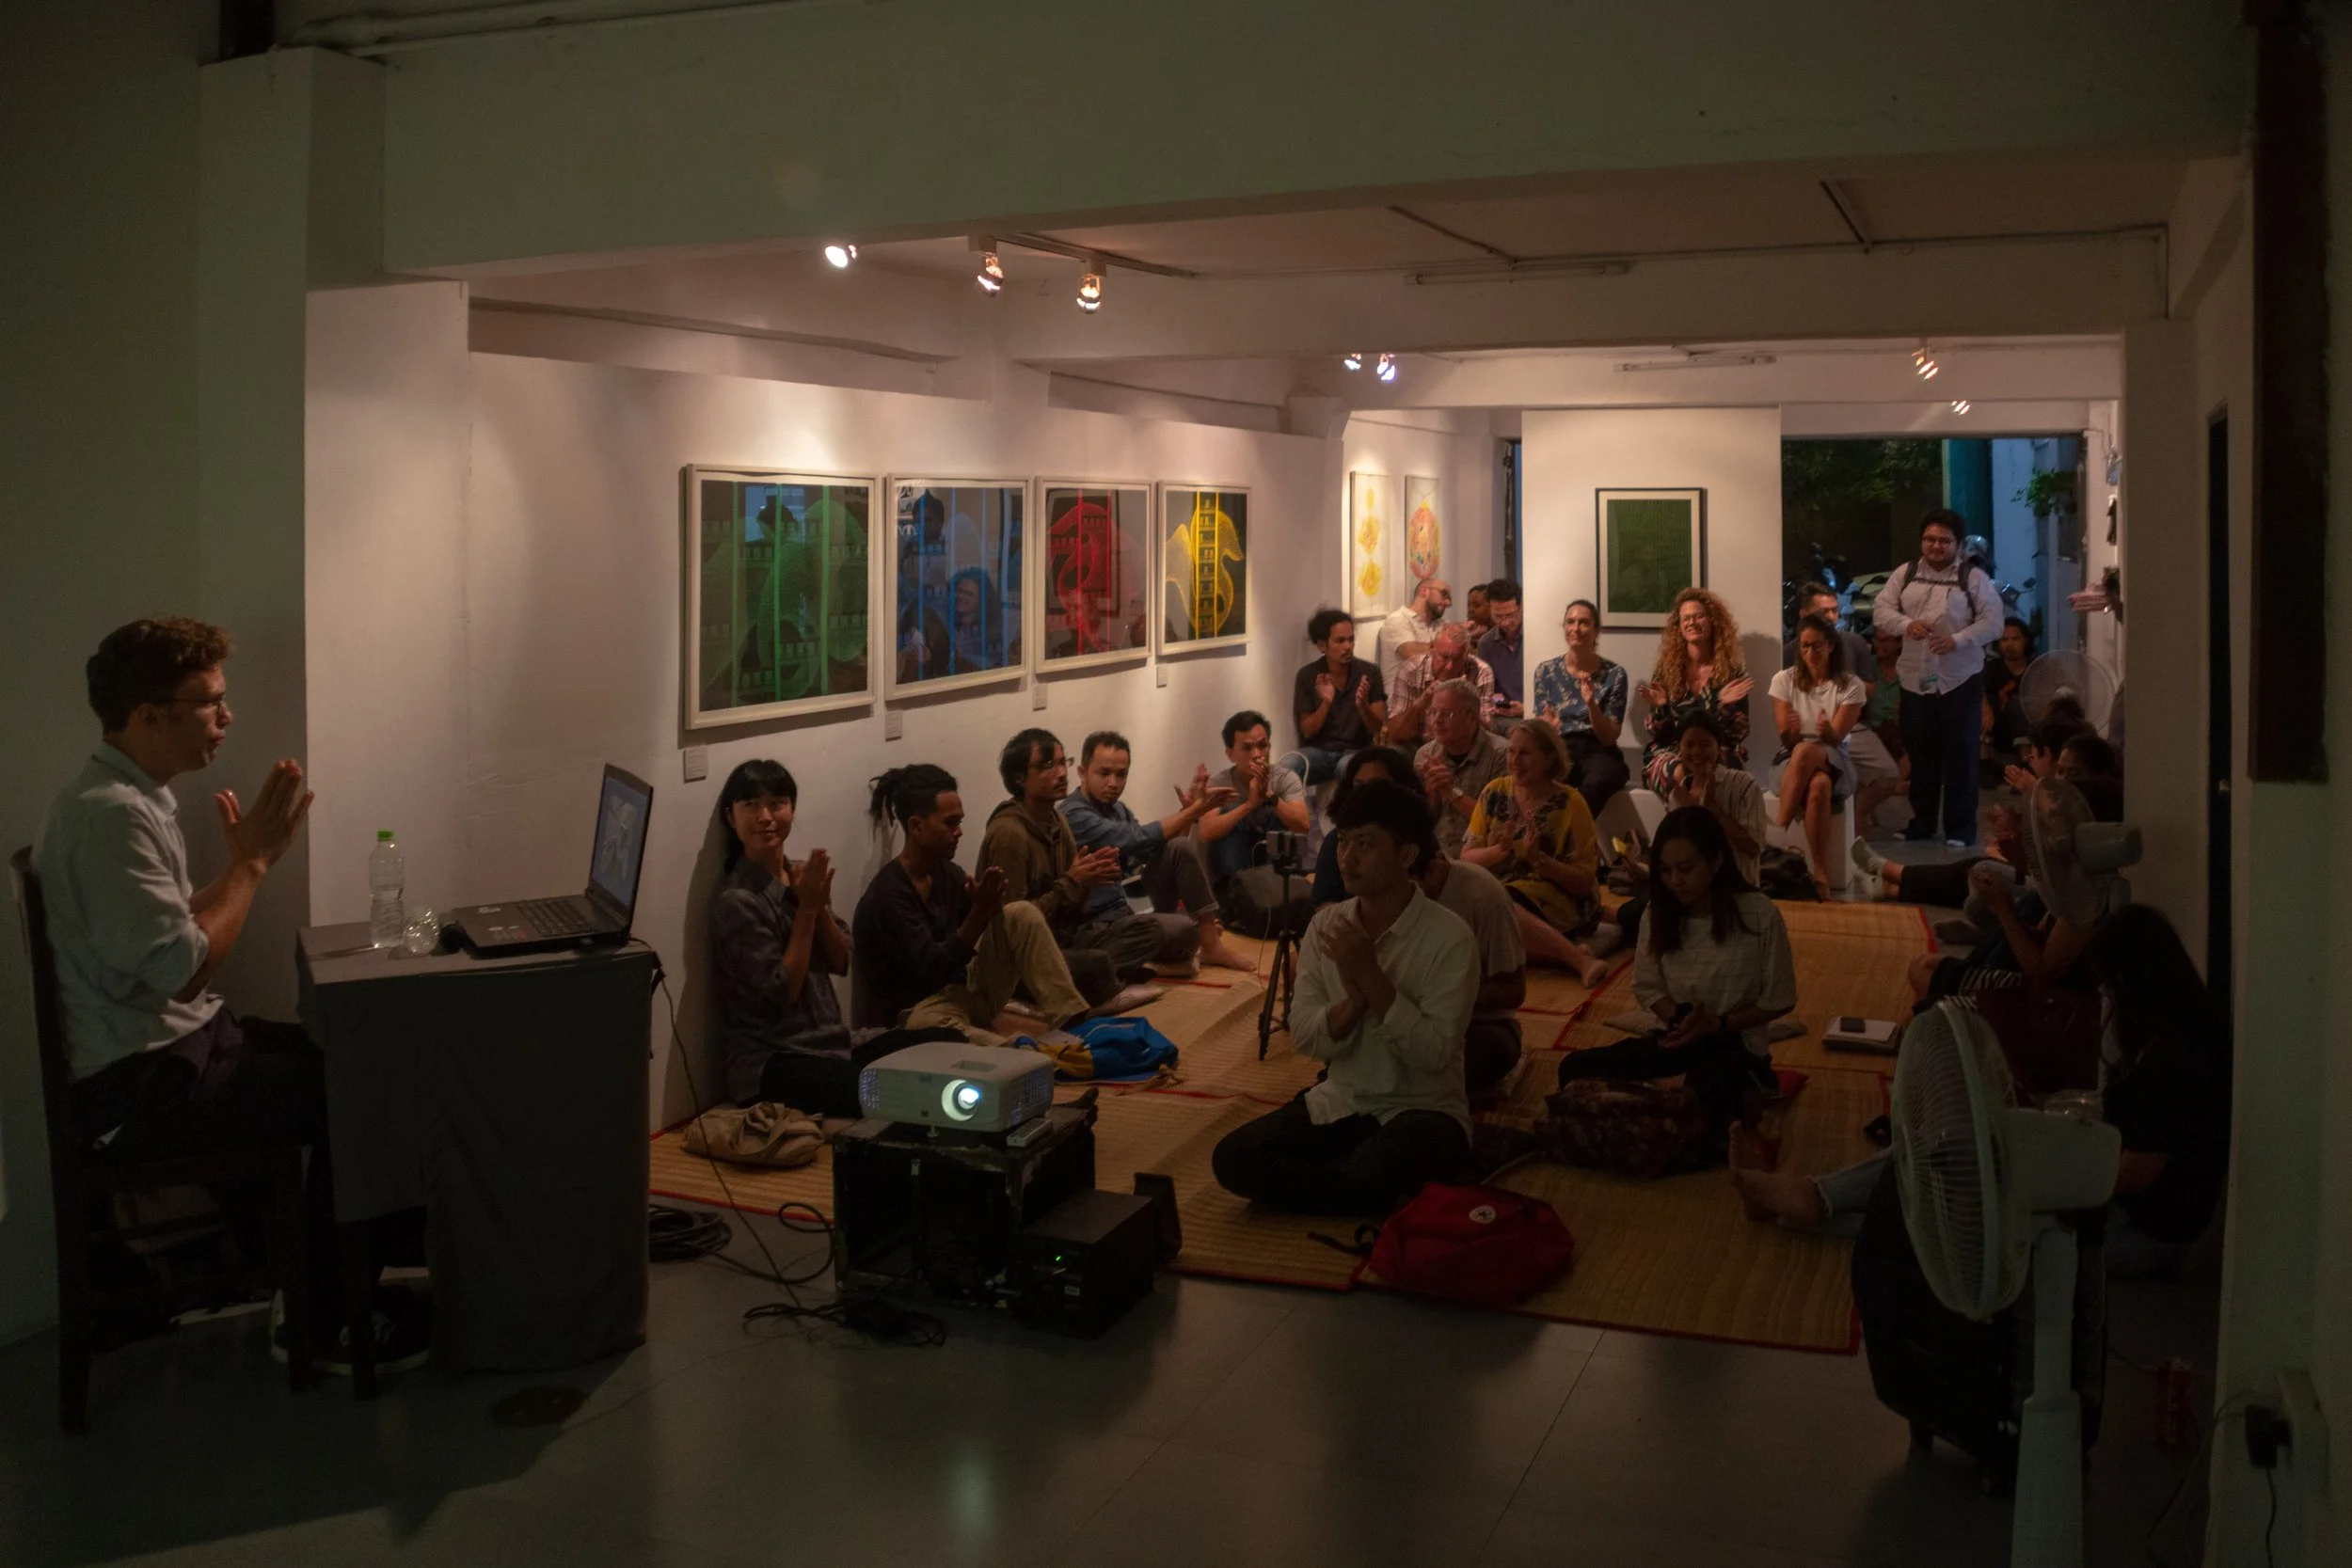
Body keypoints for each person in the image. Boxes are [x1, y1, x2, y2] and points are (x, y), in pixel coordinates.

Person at [37, 618, 428, 1371]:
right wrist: (249, 866)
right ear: (149, 714)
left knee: (360, 1059)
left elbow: (168, 936)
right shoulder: (111, 816)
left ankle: (324, 1286)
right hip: (141, 1086)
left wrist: (247, 862)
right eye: (209, 701)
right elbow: (183, 969)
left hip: (174, 1050)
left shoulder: (127, 796)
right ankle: (320, 1321)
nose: (227, 716)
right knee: (360, 1096)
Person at [1737, 905, 2229, 1277]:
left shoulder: (2179, 1060)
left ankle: (1805, 1207)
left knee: (1966, 1224)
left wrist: (2026, 1168)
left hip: (2140, 1231)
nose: (2106, 998)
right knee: (1956, 1146)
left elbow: (2131, 1175)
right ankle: (1814, 1197)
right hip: (2109, 1189)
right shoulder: (2164, 1036)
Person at [1209, 782, 1479, 1215]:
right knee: (1233, 1158)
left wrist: (1370, 975)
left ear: (1407, 855)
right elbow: (1305, 1037)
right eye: (1343, 842)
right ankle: (1360, 1185)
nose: (1347, 858)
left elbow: (1433, 1055)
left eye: (1365, 844)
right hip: (1344, 1098)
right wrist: (1353, 1003)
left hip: (1422, 1108)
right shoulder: (1326, 926)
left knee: (1382, 1162)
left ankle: (1354, 1180)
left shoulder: (1450, 937)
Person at [1557, 805, 1793, 1135]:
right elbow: (1648, 986)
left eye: (1686, 869)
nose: (1676, 880)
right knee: (1573, 1068)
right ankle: (1665, 1095)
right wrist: (1682, 1023)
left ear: (1716, 861)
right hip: (1680, 1042)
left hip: (1736, 1049)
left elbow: (1780, 999)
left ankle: (1663, 1096)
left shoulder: (1759, 914)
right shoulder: (1658, 912)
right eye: (1666, 871)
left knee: (1720, 1088)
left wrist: (1717, 1024)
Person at [851, 764, 1099, 1042]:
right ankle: (1021, 1053)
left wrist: (990, 905)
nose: (958, 832)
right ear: (916, 826)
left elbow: (987, 940)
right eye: (950, 823)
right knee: (932, 1025)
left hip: (962, 995)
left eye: (959, 822)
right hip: (918, 1015)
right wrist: (979, 914)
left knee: (1020, 912)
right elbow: (931, 971)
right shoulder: (889, 894)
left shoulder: (946, 873)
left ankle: (1075, 1024)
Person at [707, 759, 865, 1114]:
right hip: (772, 1059)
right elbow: (783, 991)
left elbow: (841, 961)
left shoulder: (799, 876)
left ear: (792, 809)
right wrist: (807, 910)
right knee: (882, 1091)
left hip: (832, 1044)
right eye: (751, 805)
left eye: (776, 803)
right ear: (731, 817)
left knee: (935, 1042)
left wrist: (817, 906)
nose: (765, 816)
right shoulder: (737, 901)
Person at [977, 728, 1161, 1001]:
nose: (1062, 773)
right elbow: (1011, 925)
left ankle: (1097, 980)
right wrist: (1072, 883)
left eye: (1063, 762)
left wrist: (1088, 882)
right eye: (1047, 765)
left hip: (1062, 939)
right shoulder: (1009, 834)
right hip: (1020, 956)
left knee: (1150, 931)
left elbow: (1071, 911)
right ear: (1019, 777)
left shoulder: (1057, 822)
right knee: (1095, 963)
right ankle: (1099, 984)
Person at [1061, 730, 1248, 973]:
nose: (1113, 783)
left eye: (1121, 774)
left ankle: (1210, 945)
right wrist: (1194, 811)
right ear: (1082, 772)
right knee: (1184, 930)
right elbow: (1136, 838)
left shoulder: (1118, 809)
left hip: (1133, 908)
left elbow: (1152, 851)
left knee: (1179, 847)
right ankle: (1169, 952)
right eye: (1104, 773)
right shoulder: (1073, 814)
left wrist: (1188, 814)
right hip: (1099, 925)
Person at [1874, 509, 2004, 847]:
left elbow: (1993, 623)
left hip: (1959, 679)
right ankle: (1922, 823)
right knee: (1921, 754)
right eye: (1930, 539)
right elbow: (1882, 610)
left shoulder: (1973, 578)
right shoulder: (1905, 574)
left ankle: (1961, 829)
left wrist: (1957, 640)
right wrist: (1906, 625)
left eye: (1944, 540)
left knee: (1961, 755)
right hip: (1914, 679)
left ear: (1958, 545)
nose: (1936, 546)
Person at [1460, 720, 1611, 987]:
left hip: (1556, 896)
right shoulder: (1494, 792)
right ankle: (1568, 951)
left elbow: (1584, 883)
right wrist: (1499, 850)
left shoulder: (1571, 803)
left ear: (1550, 758)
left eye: (1525, 753)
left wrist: (1539, 860)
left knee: (1498, 910)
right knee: (1477, 914)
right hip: (1500, 892)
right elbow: (1467, 857)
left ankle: (1580, 961)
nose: (1515, 761)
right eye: (1511, 752)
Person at [1767, 613, 1869, 897]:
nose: (1810, 653)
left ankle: (1777, 835)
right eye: (1805, 646)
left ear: (1830, 646)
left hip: (1835, 757)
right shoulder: (1784, 680)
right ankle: (1821, 871)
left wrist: (1827, 732)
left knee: (1806, 751)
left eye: (1817, 646)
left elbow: (1836, 740)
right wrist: (1792, 732)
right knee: (1819, 784)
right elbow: (1787, 739)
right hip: (1791, 760)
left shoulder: (1850, 685)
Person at [1638, 587, 1754, 792]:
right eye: (1686, 618)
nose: (1692, 622)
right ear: (1679, 627)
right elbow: (1659, 736)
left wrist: (1724, 708)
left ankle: (1692, 809)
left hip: (1717, 750)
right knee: (1680, 772)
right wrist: (1661, 710)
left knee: (1713, 773)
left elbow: (1737, 735)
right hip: (1672, 750)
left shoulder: (1731, 671)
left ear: (1712, 621)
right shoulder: (1666, 671)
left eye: (1699, 616)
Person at [1530, 597, 1631, 816]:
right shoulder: (1545, 671)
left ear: (1596, 631)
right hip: (1559, 747)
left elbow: (1608, 737)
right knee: (1535, 776)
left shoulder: (1614, 674)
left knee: (1600, 780)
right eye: (1570, 622)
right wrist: (1548, 727)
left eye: (1583, 623)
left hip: (1596, 749)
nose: (1575, 628)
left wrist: (1591, 705)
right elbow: (1540, 727)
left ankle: (1571, 827)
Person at [1195, 709, 1311, 884]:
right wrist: (1249, 805)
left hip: (1275, 869)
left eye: (1262, 746)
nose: (1257, 755)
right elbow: (1205, 832)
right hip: (1233, 868)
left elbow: (1303, 825)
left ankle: (1275, 886)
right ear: (1230, 754)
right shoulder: (1221, 782)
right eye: (1247, 748)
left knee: (1276, 812)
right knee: (1230, 812)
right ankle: (1239, 889)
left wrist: (1270, 796)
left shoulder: (1285, 777)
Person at [1279, 608, 1386, 787]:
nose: (1348, 646)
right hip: (1319, 752)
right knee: (1287, 766)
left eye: (1351, 639)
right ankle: (1297, 807)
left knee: (1346, 767)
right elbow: (1307, 731)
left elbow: (1377, 728)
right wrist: (1326, 703)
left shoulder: (1370, 672)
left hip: (1356, 750)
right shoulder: (1308, 675)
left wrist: (1362, 705)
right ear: (1322, 645)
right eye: (1340, 641)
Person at [1412, 678, 1511, 858]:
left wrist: (1451, 792)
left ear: (1472, 717)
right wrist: (1432, 795)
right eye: (1433, 712)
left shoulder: (1502, 754)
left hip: (1482, 857)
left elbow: (1497, 824)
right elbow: (1421, 824)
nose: (1436, 721)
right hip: (1437, 855)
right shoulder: (1425, 755)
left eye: (1446, 714)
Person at [1311, 746, 1422, 906]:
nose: (1366, 794)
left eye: (1377, 786)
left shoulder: (1418, 837)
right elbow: (1324, 903)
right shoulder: (1336, 839)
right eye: (1359, 786)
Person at [1385, 622, 1495, 745]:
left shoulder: (1481, 671)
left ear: (1466, 655)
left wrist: (1464, 703)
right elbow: (1394, 734)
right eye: (1444, 657)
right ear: (1432, 648)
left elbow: (1487, 733)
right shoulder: (1411, 670)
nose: (1449, 667)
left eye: (1457, 659)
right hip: (1419, 744)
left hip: (1464, 744)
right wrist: (1419, 705)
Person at [1849, 626, 1911, 840]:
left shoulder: (1907, 669)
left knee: (1911, 746)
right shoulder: (1868, 667)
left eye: (1886, 640)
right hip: (1870, 726)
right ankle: (1863, 810)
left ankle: (1893, 787)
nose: (1880, 645)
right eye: (1878, 640)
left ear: (1898, 642)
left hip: (1899, 726)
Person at [1780, 581, 1879, 688]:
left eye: (1834, 610)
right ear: (1804, 615)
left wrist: (1843, 684)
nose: (1831, 617)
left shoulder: (1855, 643)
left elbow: (1871, 688)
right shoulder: (1789, 652)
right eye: (1824, 612)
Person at [1375, 577, 1452, 689]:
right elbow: (1412, 654)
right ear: (1424, 591)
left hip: (1434, 695)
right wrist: (1449, 646)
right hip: (1403, 697)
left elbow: (1463, 650)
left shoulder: (1441, 624)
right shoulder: (1397, 620)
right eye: (1444, 594)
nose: (1448, 603)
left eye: (1449, 599)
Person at [1474, 578, 1528, 722]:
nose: (1505, 622)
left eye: (1510, 615)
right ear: (1490, 610)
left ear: (1521, 607)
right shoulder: (1486, 644)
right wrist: (1499, 702)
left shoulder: (1535, 636)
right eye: (1497, 616)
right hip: (1503, 716)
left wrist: (1527, 708)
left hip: (1535, 713)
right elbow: (1490, 689)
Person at [1982, 615, 2035, 763]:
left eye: (2015, 639)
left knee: (2016, 706)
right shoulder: (1991, 668)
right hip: (1996, 727)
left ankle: (2027, 765)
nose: (2010, 644)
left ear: (2025, 641)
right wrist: (1985, 708)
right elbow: (1979, 691)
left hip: (2027, 727)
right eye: (2004, 640)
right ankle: (1985, 764)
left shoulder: (2036, 669)